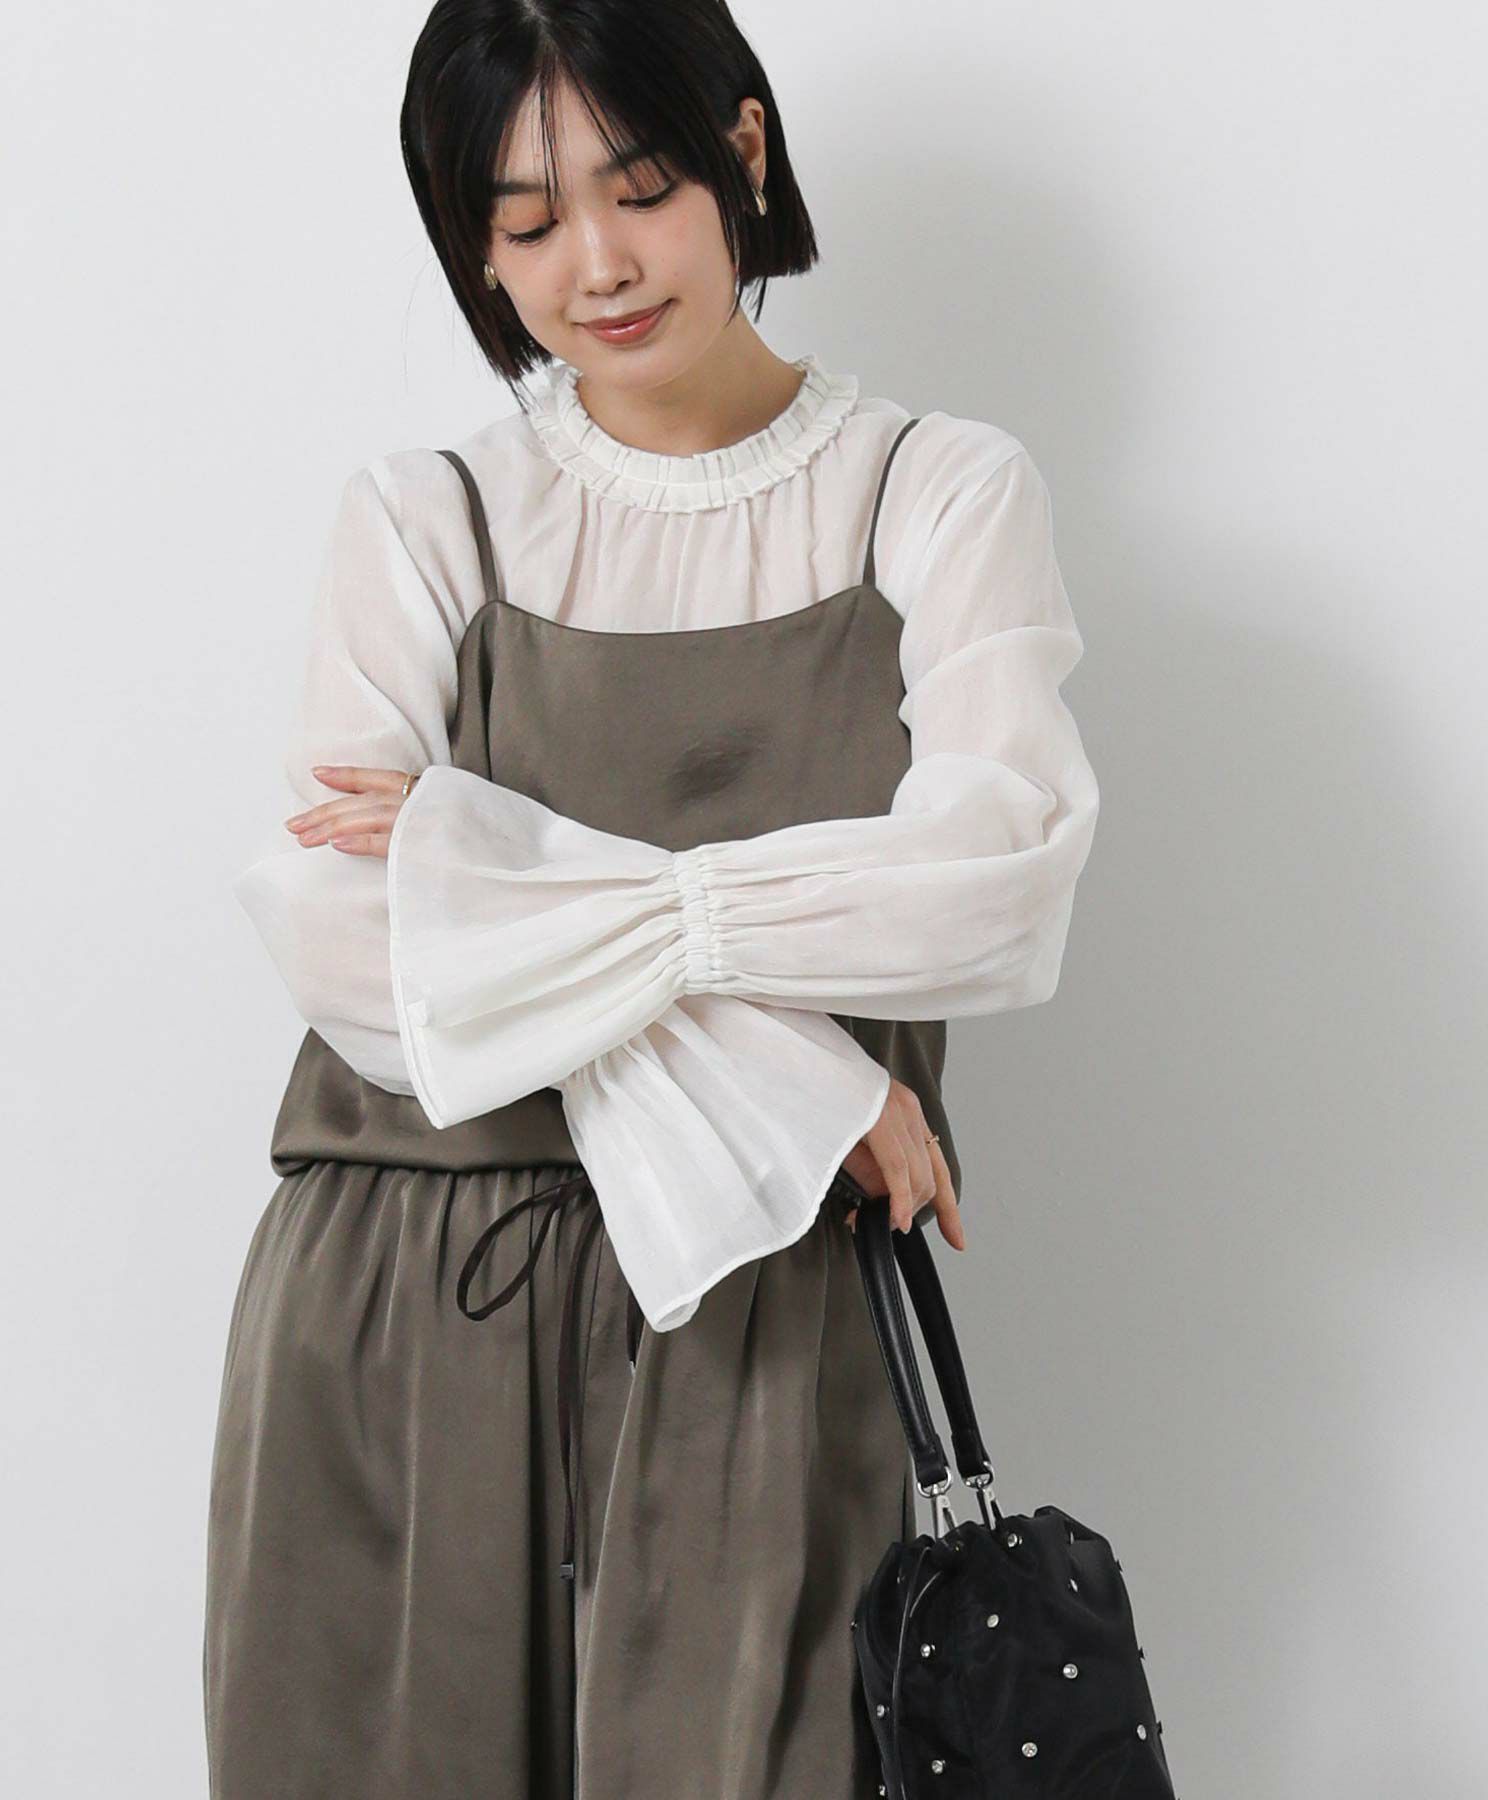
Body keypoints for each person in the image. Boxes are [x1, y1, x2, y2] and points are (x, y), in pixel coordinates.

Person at [202, 2, 1101, 1795]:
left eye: (641, 188)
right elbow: (335, 933)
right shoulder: (430, 517)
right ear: (474, 240)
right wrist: (802, 1075)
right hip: (405, 1284)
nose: (597, 266)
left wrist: (497, 869)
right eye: (529, 222)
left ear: (742, 153)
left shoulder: (932, 495)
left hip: (765, 1307)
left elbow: (993, 886)